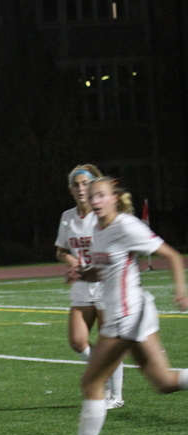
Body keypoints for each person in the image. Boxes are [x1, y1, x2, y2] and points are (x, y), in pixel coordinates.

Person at [48, 177, 188, 435]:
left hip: (129, 315)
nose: (95, 200)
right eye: (92, 195)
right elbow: (101, 272)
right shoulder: (98, 229)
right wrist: (81, 274)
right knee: (163, 382)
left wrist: (181, 290)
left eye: (101, 195)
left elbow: (173, 256)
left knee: (90, 382)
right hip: (128, 313)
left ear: (114, 198)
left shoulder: (126, 226)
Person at [55, 164, 124, 409]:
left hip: (106, 285)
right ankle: (101, 379)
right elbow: (61, 250)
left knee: (110, 342)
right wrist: (71, 260)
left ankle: (115, 396)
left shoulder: (104, 215)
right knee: (77, 341)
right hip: (82, 285)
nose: (81, 188)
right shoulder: (67, 217)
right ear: (71, 189)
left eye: (85, 183)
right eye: (76, 184)